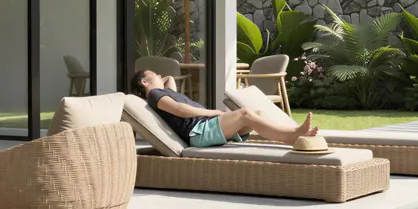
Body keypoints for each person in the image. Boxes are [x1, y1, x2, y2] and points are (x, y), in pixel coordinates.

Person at [130, 69, 318, 147]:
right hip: (198, 131)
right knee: (245, 114)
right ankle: (292, 135)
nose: (159, 74)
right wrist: (215, 112)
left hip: (206, 127)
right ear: (145, 82)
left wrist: (158, 80)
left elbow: (169, 80)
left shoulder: (162, 93)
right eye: (153, 73)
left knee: (256, 114)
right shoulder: (155, 96)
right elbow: (180, 110)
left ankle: (292, 133)